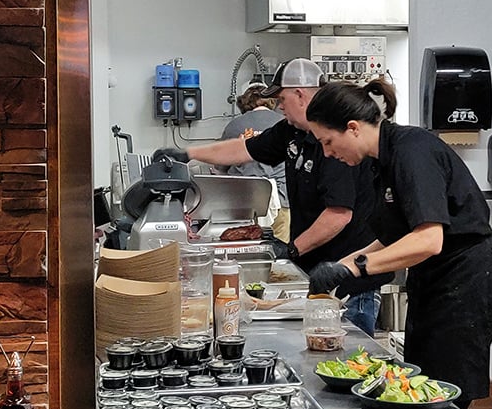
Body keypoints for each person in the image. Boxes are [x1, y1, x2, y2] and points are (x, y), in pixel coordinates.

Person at [304, 79, 492, 409]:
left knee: (441, 399)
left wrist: (357, 267)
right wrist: (340, 267)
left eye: (328, 142)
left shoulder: (412, 150)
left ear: (353, 128)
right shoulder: (380, 161)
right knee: (418, 383)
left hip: (468, 281)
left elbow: (429, 240)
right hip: (437, 283)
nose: (328, 153)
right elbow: (391, 238)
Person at [153, 58, 392, 336]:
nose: (279, 107)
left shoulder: (334, 139)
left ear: (300, 95)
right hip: (316, 270)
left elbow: (338, 215)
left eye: (281, 99)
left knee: (349, 355)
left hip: (348, 275)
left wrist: (291, 249)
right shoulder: (292, 131)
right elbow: (244, 149)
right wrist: (188, 155)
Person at [219, 80, 290, 242]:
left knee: (243, 244)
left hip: (242, 200)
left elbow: (220, 168)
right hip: (281, 196)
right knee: (280, 247)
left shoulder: (234, 125)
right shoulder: (285, 123)